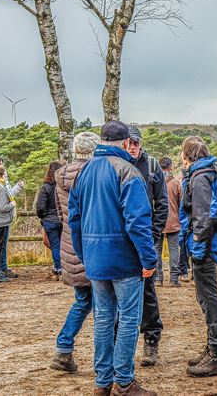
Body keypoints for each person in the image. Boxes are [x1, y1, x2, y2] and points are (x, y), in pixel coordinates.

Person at [68, 120, 158, 396]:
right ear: (126, 143)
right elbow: (138, 222)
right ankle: (124, 381)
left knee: (103, 319)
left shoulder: (83, 172)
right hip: (124, 259)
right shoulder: (127, 171)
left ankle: (103, 381)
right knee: (129, 319)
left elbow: (74, 219)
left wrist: (84, 253)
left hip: (95, 258)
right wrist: (149, 259)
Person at [179, 136, 217, 378]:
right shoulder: (208, 173)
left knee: (208, 298)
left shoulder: (201, 177)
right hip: (210, 243)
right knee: (205, 297)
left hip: (206, 246)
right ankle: (212, 347)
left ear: (186, 155)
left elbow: (204, 215)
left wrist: (198, 248)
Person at [49, 132, 100, 374]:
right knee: (104, 306)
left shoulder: (61, 177)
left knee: (81, 302)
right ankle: (105, 359)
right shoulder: (95, 175)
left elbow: (62, 215)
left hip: (70, 246)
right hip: (94, 246)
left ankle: (63, 348)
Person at [125, 125, 168, 367]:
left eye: (136, 143)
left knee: (148, 291)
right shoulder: (116, 164)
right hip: (121, 240)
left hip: (145, 238)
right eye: (129, 143)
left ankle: (151, 340)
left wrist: (153, 234)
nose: (133, 147)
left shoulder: (152, 166)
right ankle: (122, 346)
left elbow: (162, 203)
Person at [36, 160, 66, 280]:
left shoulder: (46, 188)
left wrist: (43, 216)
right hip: (63, 219)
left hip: (50, 220)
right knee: (64, 246)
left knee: (55, 245)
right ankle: (63, 268)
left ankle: (59, 268)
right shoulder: (63, 187)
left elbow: (40, 206)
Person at [160, 156, 183, 286]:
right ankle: (174, 279)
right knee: (174, 248)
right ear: (170, 167)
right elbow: (181, 202)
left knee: (156, 249)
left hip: (157, 220)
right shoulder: (175, 183)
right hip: (173, 220)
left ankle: (158, 278)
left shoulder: (154, 181)